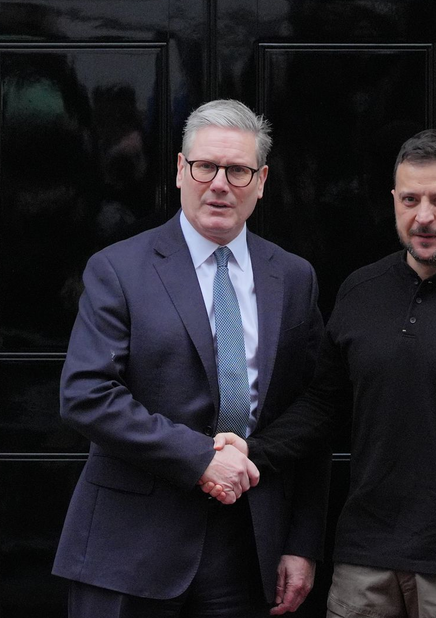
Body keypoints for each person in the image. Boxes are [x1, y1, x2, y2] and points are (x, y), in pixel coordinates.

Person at [208, 129, 436, 618]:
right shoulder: (361, 292)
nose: (424, 217)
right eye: (410, 199)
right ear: (394, 200)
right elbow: (324, 408)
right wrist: (253, 450)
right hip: (363, 562)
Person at [53, 99, 330, 618]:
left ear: (262, 181)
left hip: (247, 550)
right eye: (205, 167)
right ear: (181, 170)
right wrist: (200, 458)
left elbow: (311, 413)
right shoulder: (119, 269)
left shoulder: (294, 278)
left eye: (238, 171)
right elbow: (86, 395)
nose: (219, 184)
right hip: (129, 548)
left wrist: (302, 542)